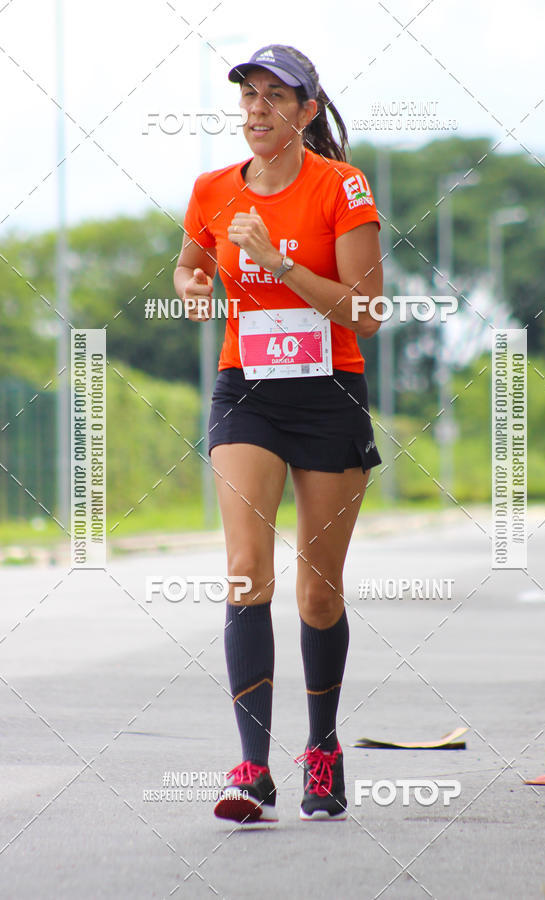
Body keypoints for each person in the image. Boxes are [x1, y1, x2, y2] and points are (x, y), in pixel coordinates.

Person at [174, 44, 383, 823]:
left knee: (317, 593)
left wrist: (280, 265)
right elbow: (189, 267)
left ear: (305, 111)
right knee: (244, 571)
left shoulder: (342, 188)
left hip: (329, 394)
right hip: (248, 393)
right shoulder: (212, 190)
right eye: (248, 95)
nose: (257, 108)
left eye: (274, 96)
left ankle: (321, 747)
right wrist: (196, 289)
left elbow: (368, 308)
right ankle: (252, 767)